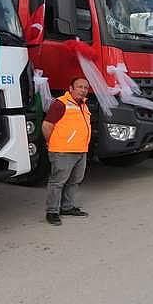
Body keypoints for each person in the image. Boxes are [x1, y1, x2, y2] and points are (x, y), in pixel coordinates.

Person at [43, 77, 91, 226]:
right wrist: (50, 142)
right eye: (79, 87)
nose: (83, 90)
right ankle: (52, 212)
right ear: (71, 88)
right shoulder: (60, 104)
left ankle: (67, 207)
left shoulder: (84, 105)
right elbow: (46, 126)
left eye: (85, 88)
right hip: (62, 151)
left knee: (75, 180)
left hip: (81, 150)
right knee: (57, 182)